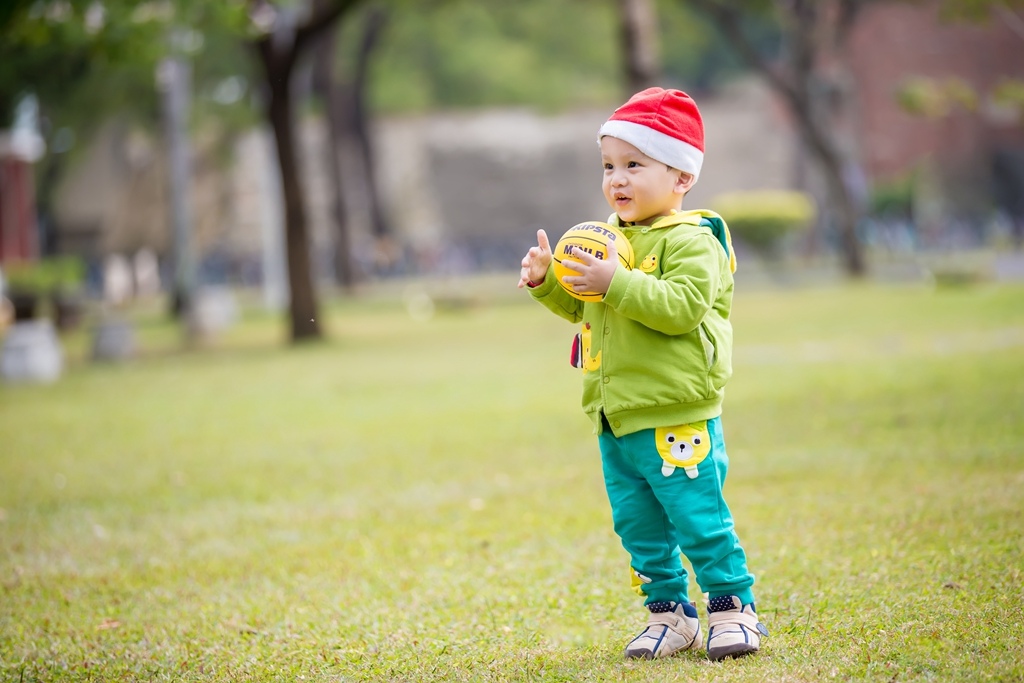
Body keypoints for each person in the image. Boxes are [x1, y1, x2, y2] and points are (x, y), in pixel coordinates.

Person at [517, 87, 766, 661]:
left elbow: (681, 307)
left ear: (682, 177)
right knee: (639, 529)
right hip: (616, 416)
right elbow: (589, 309)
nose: (617, 180)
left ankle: (733, 607)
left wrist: (614, 282)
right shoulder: (611, 241)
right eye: (609, 166)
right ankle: (671, 615)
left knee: (699, 518)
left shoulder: (694, 240)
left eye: (635, 164)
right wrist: (548, 282)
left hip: (678, 417)